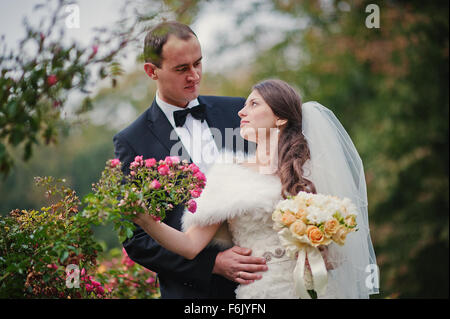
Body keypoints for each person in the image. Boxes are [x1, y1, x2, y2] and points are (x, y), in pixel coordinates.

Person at [133, 79, 379, 298]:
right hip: (263, 291)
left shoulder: (309, 172)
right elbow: (189, 246)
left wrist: (319, 251)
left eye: (254, 104)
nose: (241, 112)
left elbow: (339, 256)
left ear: (280, 118)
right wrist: (144, 219)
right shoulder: (228, 174)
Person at [113, 21, 268, 299]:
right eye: (182, 68)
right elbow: (135, 238)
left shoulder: (238, 110)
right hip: (196, 293)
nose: (194, 76)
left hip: (267, 276)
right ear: (152, 71)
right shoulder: (131, 141)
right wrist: (212, 265)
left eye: (198, 63)